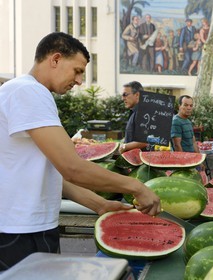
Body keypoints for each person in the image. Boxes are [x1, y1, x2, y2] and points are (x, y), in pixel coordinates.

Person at [0, 32, 161, 271]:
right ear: (55, 59)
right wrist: (136, 186)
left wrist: (99, 205)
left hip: (28, 227)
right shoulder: (28, 92)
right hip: (20, 231)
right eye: (77, 70)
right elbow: (72, 168)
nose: (79, 81)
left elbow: (53, 175)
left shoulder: (23, 92)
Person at [119, 81, 149, 153]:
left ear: (137, 95)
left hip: (139, 160)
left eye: (125, 95)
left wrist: (124, 146)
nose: (122, 98)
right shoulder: (135, 111)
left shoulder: (142, 113)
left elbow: (144, 141)